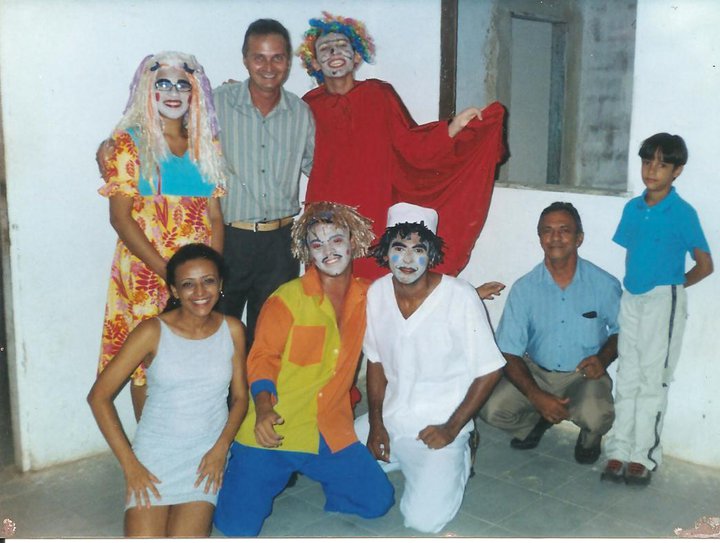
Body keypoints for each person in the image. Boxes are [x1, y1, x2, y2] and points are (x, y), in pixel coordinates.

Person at [213, 202, 394, 536]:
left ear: (353, 242)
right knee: (237, 528)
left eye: (336, 240)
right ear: (307, 251)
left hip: (328, 427)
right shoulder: (286, 299)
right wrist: (264, 408)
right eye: (317, 243)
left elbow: (412, 294)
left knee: (376, 502)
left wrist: (461, 294)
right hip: (274, 428)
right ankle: (242, 468)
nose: (328, 251)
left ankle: (320, 475)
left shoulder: (369, 295)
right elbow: (262, 358)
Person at [297, 12, 506, 279]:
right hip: (325, 214)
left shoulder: (379, 95)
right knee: (325, 284)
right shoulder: (307, 105)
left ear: (357, 55)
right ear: (314, 61)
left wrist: (453, 128)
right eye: (325, 48)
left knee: (370, 285)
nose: (334, 52)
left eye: (341, 45)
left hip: (371, 210)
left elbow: (411, 145)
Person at [354, 202, 504, 533]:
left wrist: (451, 428)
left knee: (423, 520)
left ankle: (460, 455)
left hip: (440, 425)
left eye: (418, 250)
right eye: (399, 248)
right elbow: (375, 362)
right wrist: (377, 424)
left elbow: (490, 369)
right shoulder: (377, 294)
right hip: (392, 419)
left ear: (431, 254)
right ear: (385, 251)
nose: (407, 259)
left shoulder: (460, 296)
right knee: (334, 462)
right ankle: (403, 460)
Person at [97, 51, 227, 421]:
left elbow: (215, 218)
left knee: (192, 356)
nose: (173, 92)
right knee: (148, 363)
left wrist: (211, 275)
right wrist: (168, 272)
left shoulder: (206, 146)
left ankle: (190, 434)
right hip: (147, 272)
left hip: (195, 277)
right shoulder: (129, 144)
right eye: (163, 84)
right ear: (147, 91)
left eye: (182, 85)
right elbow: (121, 219)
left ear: (194, 92)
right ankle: (151, 445)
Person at [88, 244, 248, 537]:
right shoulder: (152, 331)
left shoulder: (233, 330)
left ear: (221, 284)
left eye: (208, 281)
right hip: (155, 454)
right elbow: (98, 397)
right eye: (188, 284)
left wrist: (221, 448)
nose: (200, 292)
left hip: (206, 455)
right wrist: (131, 465)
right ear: (174, 290)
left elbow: (239, 398)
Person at [601, 133, 713, 485]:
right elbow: (634, 252)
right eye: (647, 162)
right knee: (628, 375)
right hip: (631, 298)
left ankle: (643, 456)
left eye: (662, 165)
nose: (652, 170)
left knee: (653, 379)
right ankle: (619, 449)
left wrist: (672, 286)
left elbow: (705, 265)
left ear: (677, 171)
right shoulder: (632, 209)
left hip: (663, 301)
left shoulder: (682, 213)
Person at [479, 202, 621, 465]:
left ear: (579, 238)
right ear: (540, 238)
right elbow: (508, 350)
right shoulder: (525, 288)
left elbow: (622, 331)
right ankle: (534, 423)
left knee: (597, 416)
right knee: (491, 408)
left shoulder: (604, 284)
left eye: (564, 230)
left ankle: (590, 438)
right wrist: (536, 395)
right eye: (547, 230)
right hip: (537, 372)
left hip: (583, 375)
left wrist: (603, 359)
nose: (555, 237)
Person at [214, 19, 315, 347]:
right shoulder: (217, 102)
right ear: (245, 59)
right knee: (219, 332)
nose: (268, 67)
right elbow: (167, 124)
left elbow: (320, 168)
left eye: (277, 58)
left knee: (269, 338)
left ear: (288, 61)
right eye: (259, 57)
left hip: (280, 245)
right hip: (229, 239)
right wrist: (114, 142)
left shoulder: (301, 113)